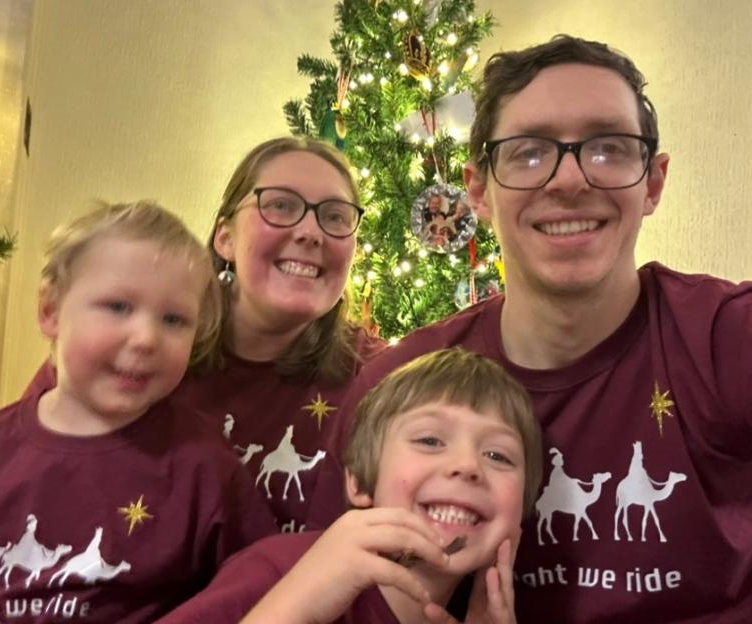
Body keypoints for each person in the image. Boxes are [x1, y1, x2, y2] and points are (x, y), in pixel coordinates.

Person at [309, 34, 752, 623]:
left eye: (609, 148)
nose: (569, 181)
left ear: (652, 181)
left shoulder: (727, 340)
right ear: (477, 191)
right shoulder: (397, 389)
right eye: (528, 152)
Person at [0, 201, 276, 624]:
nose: (147, 338)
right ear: (50, 312)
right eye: (118, 307)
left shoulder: (205, 466)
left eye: (174, 319)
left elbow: (261, 583)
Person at [23, 137, 385, 534]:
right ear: (225, 237)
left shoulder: (380, 379)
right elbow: (14, 483)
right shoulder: (132, 351)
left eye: (335, 216)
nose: (311, 232)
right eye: (281, 205)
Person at [154, 348, 543, 624]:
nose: (467, 466)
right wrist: (295, 608)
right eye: (429, 440)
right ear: (358, 480)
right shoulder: (282, 570)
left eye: (498, 456)